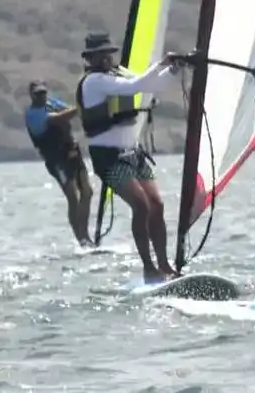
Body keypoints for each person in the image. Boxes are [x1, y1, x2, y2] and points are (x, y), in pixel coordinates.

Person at [76, 31, 186, 284]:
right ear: (90, 58)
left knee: (157, 205)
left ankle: (164, 265)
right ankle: (149, 269)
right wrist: (161, 63)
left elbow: (150, 85)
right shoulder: (94, 82)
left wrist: (174, 69)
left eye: (108, 53)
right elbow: (134, 87)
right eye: (99, 55)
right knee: (141, 206)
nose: (105, 58)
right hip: (108, 158)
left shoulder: (118, 73)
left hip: (132, 152)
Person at [24, 80, 93, 247]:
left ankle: (86, 235)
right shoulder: (32, 114)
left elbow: (69, 110)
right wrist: (81, 108)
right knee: (72, 196)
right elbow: (59, 118)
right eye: (37, 94)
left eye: (43, 93)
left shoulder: (51, 103)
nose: (41, 96)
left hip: (71, 152)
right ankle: (81, 239)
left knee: (87, 192)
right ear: (31, 95)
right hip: (56, 160)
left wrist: (82, 108)